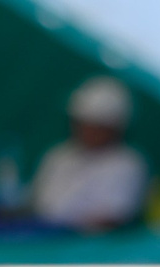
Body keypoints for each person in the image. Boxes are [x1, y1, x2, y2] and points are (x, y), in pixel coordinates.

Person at [32, 76, 148, 232]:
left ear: (115, 128)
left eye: (96, 125)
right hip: (37, 235)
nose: (87, 130)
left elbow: (111, 222)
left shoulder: (128, 164)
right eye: (82, 123)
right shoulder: (58, 154)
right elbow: (34, 205)